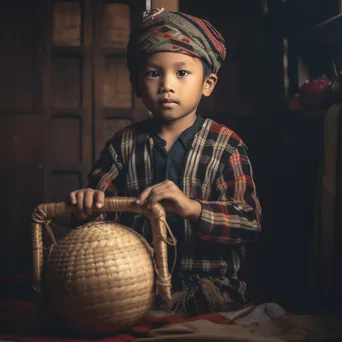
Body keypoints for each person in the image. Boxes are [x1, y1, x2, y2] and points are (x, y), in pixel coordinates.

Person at [68, 8, 262, 317]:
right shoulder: (123, 145)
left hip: (211, 293)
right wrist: (88, 206)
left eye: (182, 72)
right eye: (153, 73)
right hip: (133, 291)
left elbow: (248, 223)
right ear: (137, 85)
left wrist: (192, 208)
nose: (166, 85)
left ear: (208, 83)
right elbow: (96, 222)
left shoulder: (227, 146)